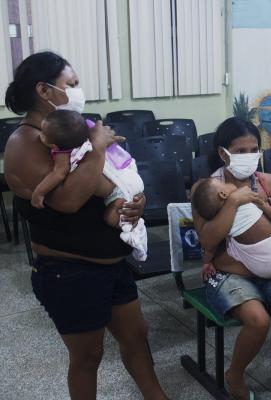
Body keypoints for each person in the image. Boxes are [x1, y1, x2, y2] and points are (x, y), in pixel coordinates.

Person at [3, 52, 167, 399]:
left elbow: (115, 174)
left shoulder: (75, 129)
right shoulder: (27, 142)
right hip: (70, 272)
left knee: (137, 337)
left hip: (112, 266)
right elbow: (68, 202)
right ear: (44, 91)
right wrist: (95, 149)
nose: (79, 91)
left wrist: (135, 203)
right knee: (88, 357)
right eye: (71, 84)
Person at [191, 117, 271, 399]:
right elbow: (208, 240)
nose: (249, 157)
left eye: (253, 149)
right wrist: (235, 200)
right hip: (231, 272)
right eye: (240, 151)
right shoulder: (207, 189)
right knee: (257, 321)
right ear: (223, 153)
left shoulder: (270, 183)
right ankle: (234, 374)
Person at [31, 109, 147, 261]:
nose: (40, 135)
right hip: (125, 181)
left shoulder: (63, 153)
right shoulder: (87, 143)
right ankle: (134, 229)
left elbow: (58, 173)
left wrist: (39, 192)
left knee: (111, 218)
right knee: (117, 217)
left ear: (52, 144)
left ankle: (135, 230)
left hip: (118, 191)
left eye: (43, 133)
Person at [191, 176, 271, 310]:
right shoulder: (248, 197)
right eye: (223, 184)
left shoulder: (223, 220)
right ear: (223, 194)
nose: (228, 184)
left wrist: (207, 263)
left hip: (258, 269)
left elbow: (209, 248)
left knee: (232, 245)